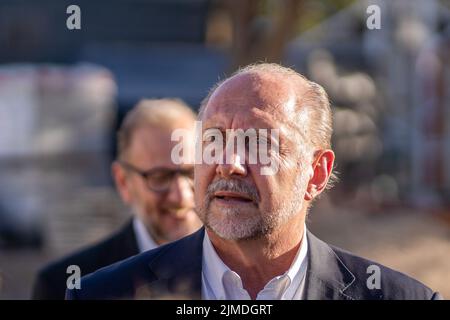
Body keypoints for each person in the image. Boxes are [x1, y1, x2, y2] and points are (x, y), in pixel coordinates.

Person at [66, 64, 442, 300]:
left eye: (260, 143)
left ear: (316, 173)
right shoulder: (103, 294)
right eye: (214, 140)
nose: (229, 163)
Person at [32, 98, 202, 299]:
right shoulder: (67, 284)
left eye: (192, 173)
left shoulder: (240, 267)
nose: (181, 195)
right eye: (160, 177)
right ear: (123, 181)